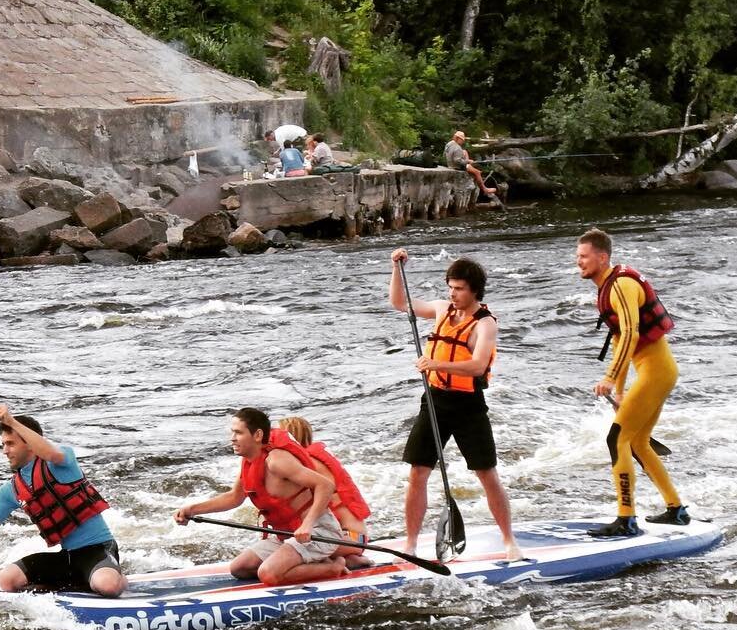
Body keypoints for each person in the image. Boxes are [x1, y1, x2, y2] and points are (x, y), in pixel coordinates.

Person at [389, 248, 521, 560]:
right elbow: (399, 303)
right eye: (450, 287)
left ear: (474, 290)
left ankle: (509, 540)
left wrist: (435, 364)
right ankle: (410, 544)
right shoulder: (441, 309)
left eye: (459, 288)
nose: (453, 293)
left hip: (468, 405)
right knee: (418, 471)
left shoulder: (485, 324)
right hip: (434, 401)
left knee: (486, 473)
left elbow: (477, 366)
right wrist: (396, 268)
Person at [0, 406, 128, 595]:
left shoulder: (62, 462)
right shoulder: (11, 490)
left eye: (10, 444)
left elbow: (49, 453)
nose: (5, 451)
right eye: (3, 445)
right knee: (6, 580)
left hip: (97, 549)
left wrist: (12, 421)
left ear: (30, 444)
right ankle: (77, 582)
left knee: (107, 585)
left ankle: (118, 579)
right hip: (67, 558)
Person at [575, 227, 689, 537]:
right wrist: (621, 390)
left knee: (617, 440)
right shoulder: (608, 287)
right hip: (655, 373)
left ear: (602, 257)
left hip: (656, 373)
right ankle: (675, 510)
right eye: (577, 257)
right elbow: (618, 340)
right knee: (637, 442)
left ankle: (626, 519)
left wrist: (610, 378)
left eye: (584, 257)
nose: (579, 262)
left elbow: (631, 334)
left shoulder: (621, 285)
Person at [173, 408, 348, 586]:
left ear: (257, 435)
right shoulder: (249, 463)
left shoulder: (278, 461)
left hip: (317, 531)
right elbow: (234, 498)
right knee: (240, 568)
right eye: (232, 432)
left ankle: (334, 567)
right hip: (287, 535)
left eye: (238, 433)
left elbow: (325, 485)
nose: (232, 438)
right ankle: (312, 561)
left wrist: (308, 524)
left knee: (268, 574)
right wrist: (191, 510)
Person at [278, 416, 371, 566]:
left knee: (286, 554)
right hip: (356, 537)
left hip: (350, 537)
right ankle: (346, 559)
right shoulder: (312, 458)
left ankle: (340, 561)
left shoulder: (307, 464)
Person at [443, 130, 496, 199]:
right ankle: (485, 189)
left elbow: (445, 154)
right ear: (457, 138)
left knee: (464, 151)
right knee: (477, 172)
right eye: (462, 140)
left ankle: (471, 167)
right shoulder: (457, 148)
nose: (462, 141)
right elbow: (457, 161)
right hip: (456, 166)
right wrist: (468, 161)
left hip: (449, 164)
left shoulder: (449, 144)